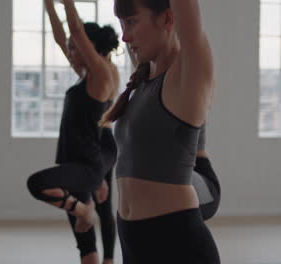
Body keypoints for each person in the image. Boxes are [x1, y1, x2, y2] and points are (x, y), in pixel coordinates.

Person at [99, 0, 221, 262]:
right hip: (132, 239)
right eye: (122, 24)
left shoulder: (188, 75)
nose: (124, 35)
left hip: (177, 243)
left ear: (168, 19)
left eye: (131, 22)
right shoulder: (143, 81)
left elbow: (188, 15)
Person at [27, 1, 119, 263]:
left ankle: (109, 257)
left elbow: (76, 32)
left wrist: (67, 3)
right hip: (74, 154)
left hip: (93, 151)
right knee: (84, 241)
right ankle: (84, 215)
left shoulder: (102, 73)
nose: (69, 48)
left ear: (88, 46)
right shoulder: (84, 73)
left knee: (101, 209)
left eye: (75, 45)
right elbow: (61, 36)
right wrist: (48, 5)